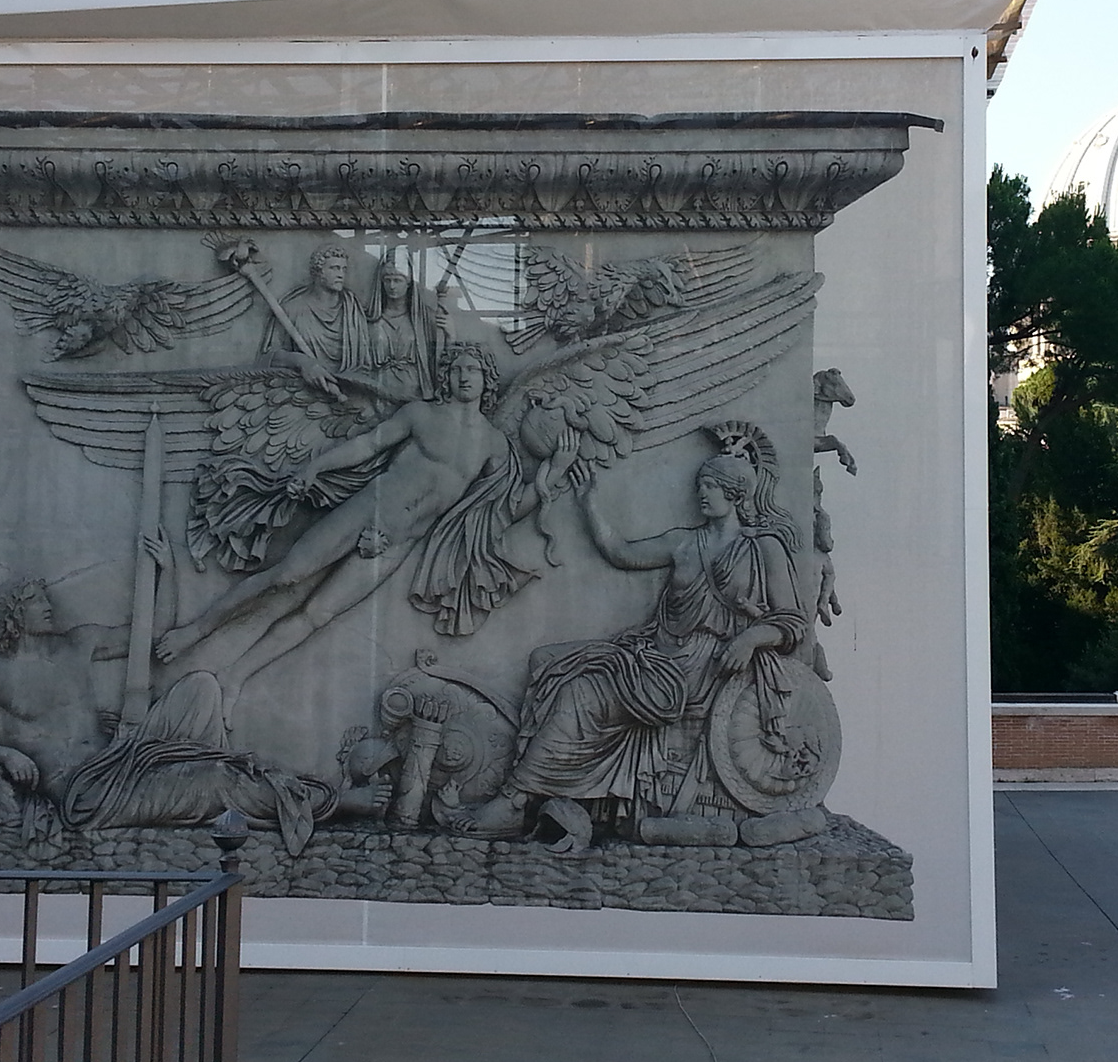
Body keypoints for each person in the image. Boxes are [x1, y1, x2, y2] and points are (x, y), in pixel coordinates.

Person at [156, 343, 576, 721]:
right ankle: (195, 629)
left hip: (396, 545)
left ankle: (234, 677)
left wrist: (552, 474)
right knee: (286, 578)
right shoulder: (421, 414)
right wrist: (316, 466)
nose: (465, 376)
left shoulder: (493, 446)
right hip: (363, 512)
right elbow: (367, 446)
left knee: (318, 614)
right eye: (457, 368)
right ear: (446, 375)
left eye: (474, 370)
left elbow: (501, 512)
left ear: (486, 380)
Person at [457, 428, 809, 839]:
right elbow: (621, 552)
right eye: (701, 486)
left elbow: (793, 623)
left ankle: (515, 801)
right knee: (549, 661)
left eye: (711, 486)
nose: (702, 494)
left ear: (735, 494)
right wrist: (589, 503)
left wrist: (749, 639)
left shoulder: (763, 549)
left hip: (702, 671)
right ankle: (548, 791)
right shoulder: (683, 542)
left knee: (583, 693)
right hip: (654, 656)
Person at [0, 564, 379, 853]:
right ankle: (335, 801)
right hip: (88, 791)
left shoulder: (78, 644)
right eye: (34, 601)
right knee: (213, 780)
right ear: (13, 615)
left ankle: (218, 772)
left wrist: (167, 571)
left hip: (123, 754)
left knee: (200, 687)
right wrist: (6, 753)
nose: (48, 606)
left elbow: (153, 633)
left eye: (44, 597)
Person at [264, 244, 369, 392]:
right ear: (318, 271)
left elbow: (365, 362)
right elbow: (269, 357)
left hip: (350, 390)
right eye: (334, 268)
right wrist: (302, 362)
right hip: (302, 390)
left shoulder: (352, 309)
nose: (340, 274)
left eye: (343, 269)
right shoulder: (293, 308)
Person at [362, 256, 446, 403]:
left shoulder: (425, 319)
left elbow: (440, 356)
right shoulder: (370, 319)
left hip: (414, 392)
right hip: (378, 392)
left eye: (397, 280)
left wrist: (450, 336)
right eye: (387, 280)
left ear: (408, 283)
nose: (392, 286)